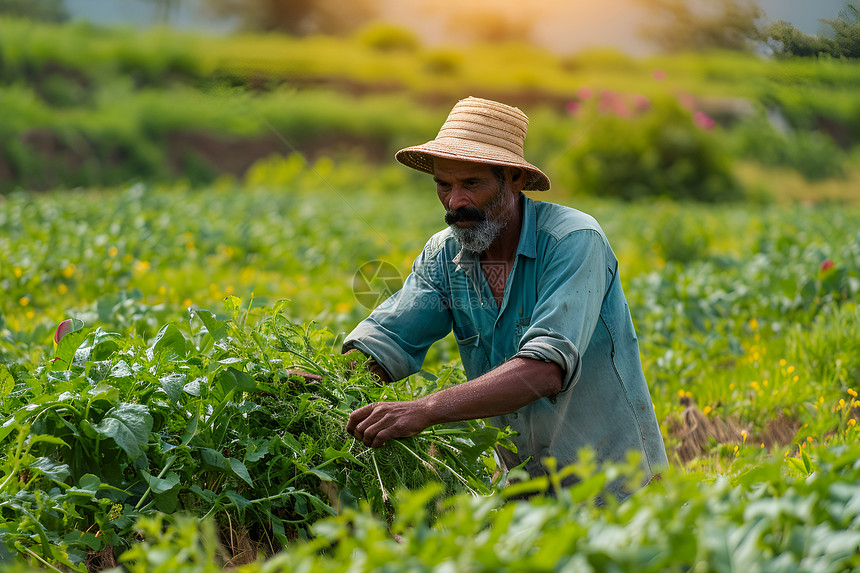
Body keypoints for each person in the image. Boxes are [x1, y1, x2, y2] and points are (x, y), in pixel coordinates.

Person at [343, 96, 668, 500]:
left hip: (617, 492)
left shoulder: (572, 241)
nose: (455, 202)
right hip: (523, 497)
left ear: (513, 178)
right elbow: (388, 341)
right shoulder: (443, 255)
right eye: (444, 185)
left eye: (472, 184)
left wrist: (423, 410)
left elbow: (545, 369)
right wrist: (324, 383)